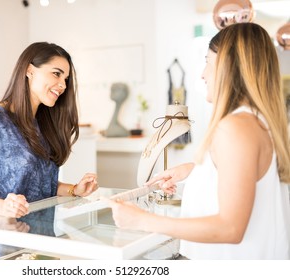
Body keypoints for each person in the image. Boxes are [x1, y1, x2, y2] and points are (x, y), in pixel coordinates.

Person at [108, 22, 290, 260]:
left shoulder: (235, 128)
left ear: (229, 67)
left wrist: (143, 221)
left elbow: (231, 228)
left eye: (208, 62)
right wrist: (195, 170)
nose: (203, 74)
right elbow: (246, 175)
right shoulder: (258, 122)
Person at [0, 42, 98, 220]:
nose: (63, 85)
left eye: (65, 79)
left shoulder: (45, 125)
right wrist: (3, 207)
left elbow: (40, 184)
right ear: (29, 70)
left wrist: (74, 190)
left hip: (38, 237)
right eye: (56, 74)